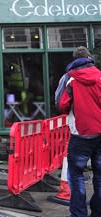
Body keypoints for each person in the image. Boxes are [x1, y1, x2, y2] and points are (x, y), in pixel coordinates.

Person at [57, 46, 101, 217]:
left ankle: (78, 214)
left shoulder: (69, 79)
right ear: (90, 58)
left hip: (81, 133)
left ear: (74, 59)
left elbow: (61, 104)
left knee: (76, 176)